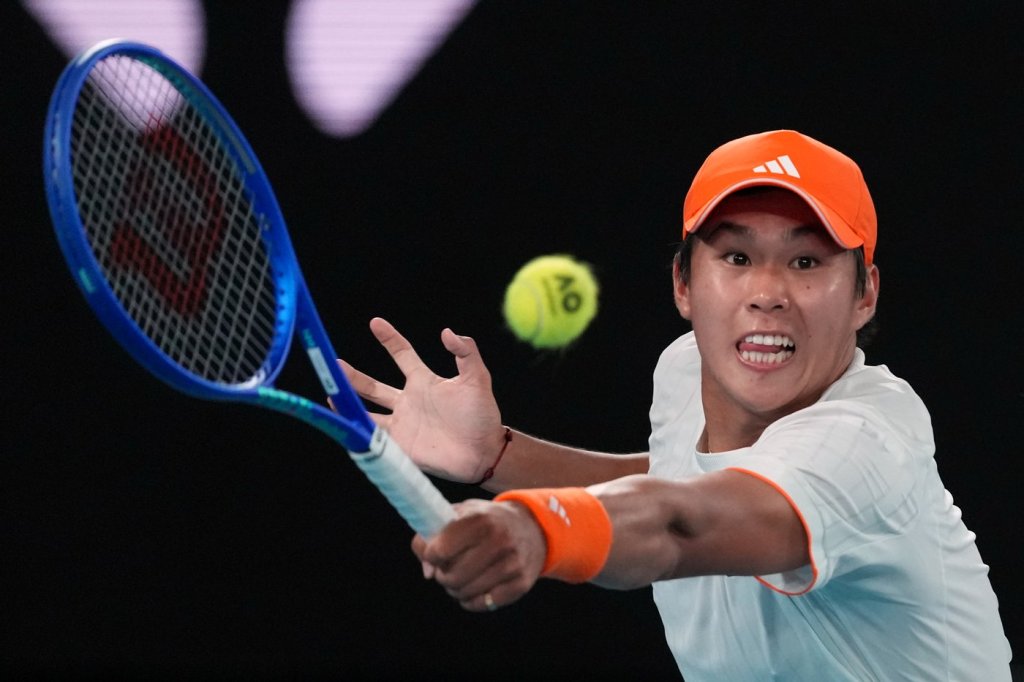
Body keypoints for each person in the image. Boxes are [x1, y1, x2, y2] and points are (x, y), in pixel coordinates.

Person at [341, 130, 1013, 680]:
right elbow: (675, 480)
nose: (767, 293)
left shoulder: (868, 443)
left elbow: (681, 523)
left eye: (806, 262)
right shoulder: (687, 369)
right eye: (737, 257)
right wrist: (499, 458)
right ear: (684, 284)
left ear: (865, 293)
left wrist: (538, 527)